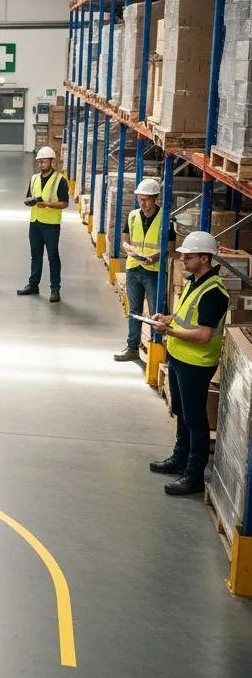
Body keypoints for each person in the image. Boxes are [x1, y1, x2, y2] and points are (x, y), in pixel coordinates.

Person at [149, 231, 229, 496]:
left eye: (189, 256)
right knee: (182, 413)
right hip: (179, 358)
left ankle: (194, 476)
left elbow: (204, 335)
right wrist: (168, 318)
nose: (182, 259)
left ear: (205, 258)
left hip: (196, 364)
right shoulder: (195, 282)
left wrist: (169, 332)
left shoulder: (214, 292)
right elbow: (186, 315)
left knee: (195, 419)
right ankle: (179, 459)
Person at [114, 177, 176, 362]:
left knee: (157, 312)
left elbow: (170, 247)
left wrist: (154, 257)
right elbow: (125, 239)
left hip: (154, 272)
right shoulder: (133, 216)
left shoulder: (166, 218)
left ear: (155, 198)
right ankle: (132, 347)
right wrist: (129, 249)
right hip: (134, 268)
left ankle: (157, 347)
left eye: (146, 199)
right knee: (134, 310)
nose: (142, 203)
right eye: (140, 199)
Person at [17, 146, 69, 303]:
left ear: (52, 162)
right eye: (39, 162)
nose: (41, 164)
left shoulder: (60, 180)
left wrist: (47, 204)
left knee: (53, 256)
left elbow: (65, 203)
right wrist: (30, 201)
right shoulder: (34, 179)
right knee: (35, 255)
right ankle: (33, 285)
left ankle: (55, 289)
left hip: (51, 225)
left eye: (44, 161)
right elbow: (28, 196)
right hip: (35, 223)